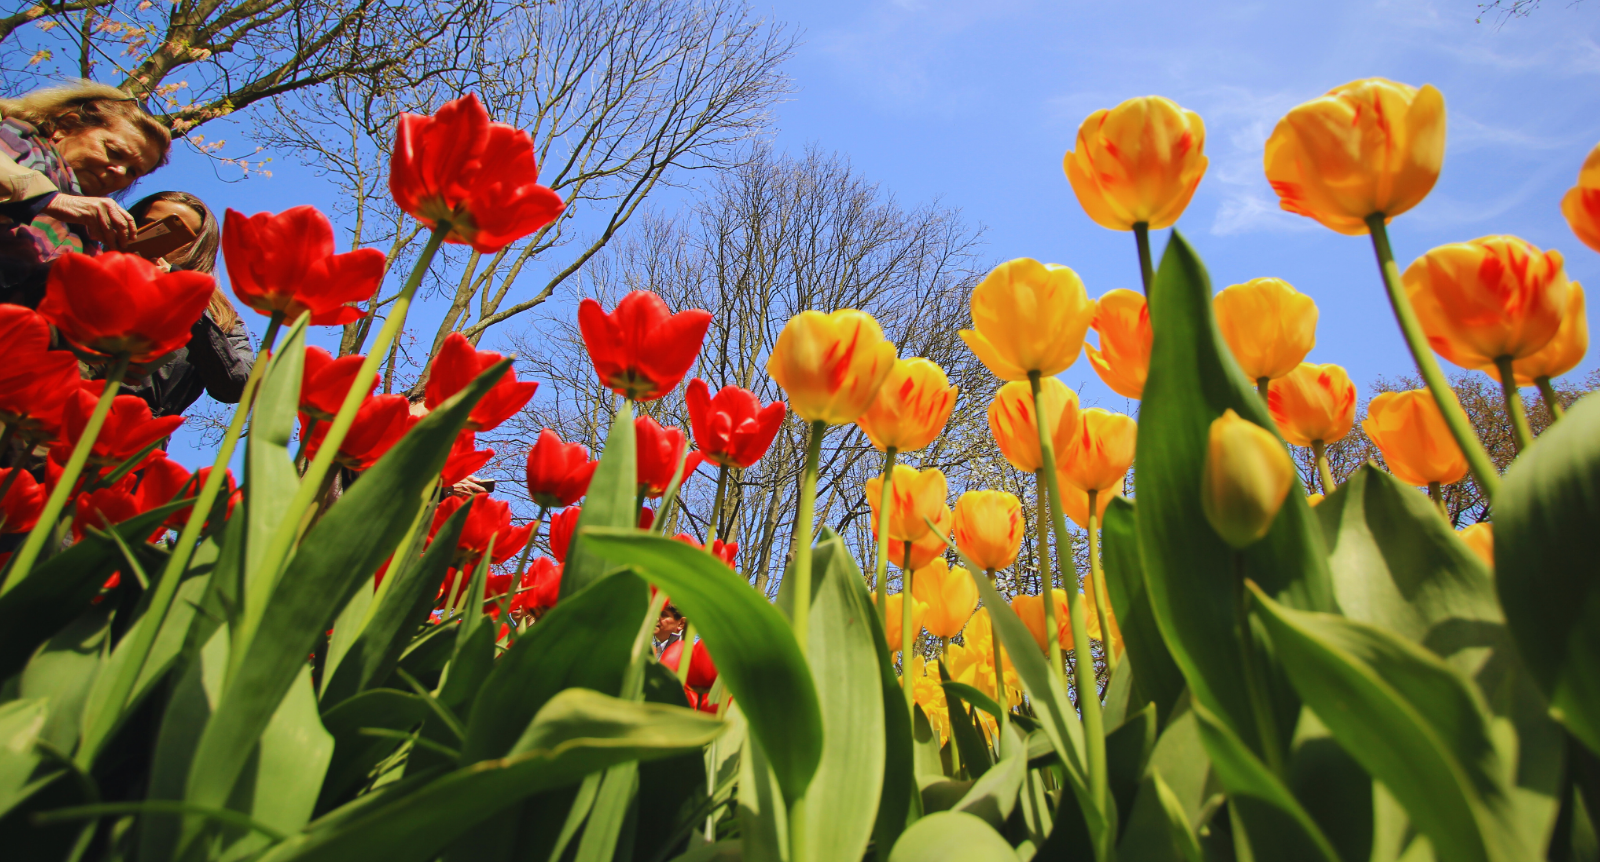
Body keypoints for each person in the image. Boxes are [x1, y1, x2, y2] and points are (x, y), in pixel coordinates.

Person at [0, 81, 169, 307]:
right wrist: (51, 200)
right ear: (66, 127)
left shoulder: (91, 236)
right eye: (114, 152)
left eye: (132, 172)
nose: (119, 171)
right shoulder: (15, 139)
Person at [113, 192, 254, 418]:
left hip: (138, 437)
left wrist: (186, 298)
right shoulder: (86, 268)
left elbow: (237, 385)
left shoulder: (216, 312)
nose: (160, 237)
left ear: (197, 248)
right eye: (150, 225)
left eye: (179, 234)